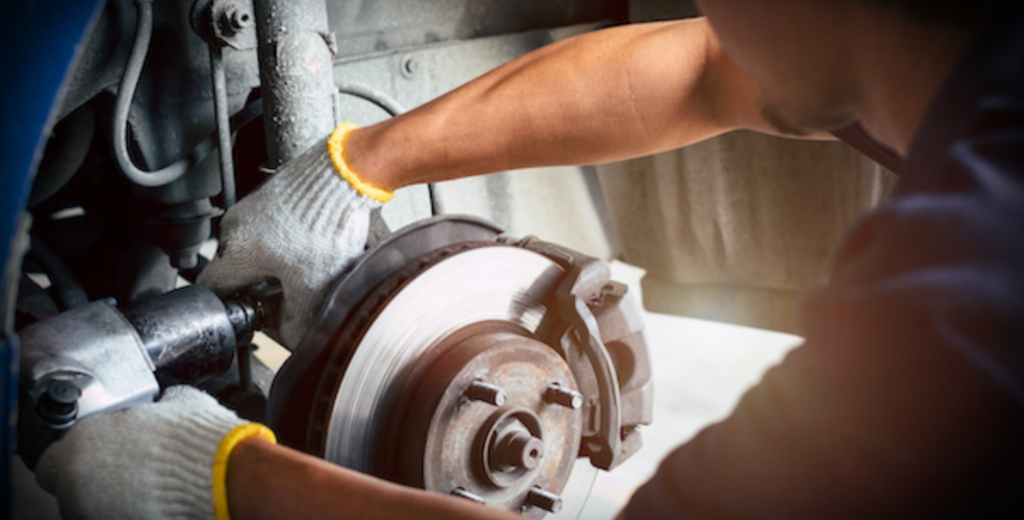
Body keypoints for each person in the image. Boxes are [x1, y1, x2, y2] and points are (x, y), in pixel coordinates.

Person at [33, 0, 1024, 518]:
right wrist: (353, 167)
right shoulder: (946, 54)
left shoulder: (958, 308)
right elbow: (715, 70)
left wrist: (221, 480)